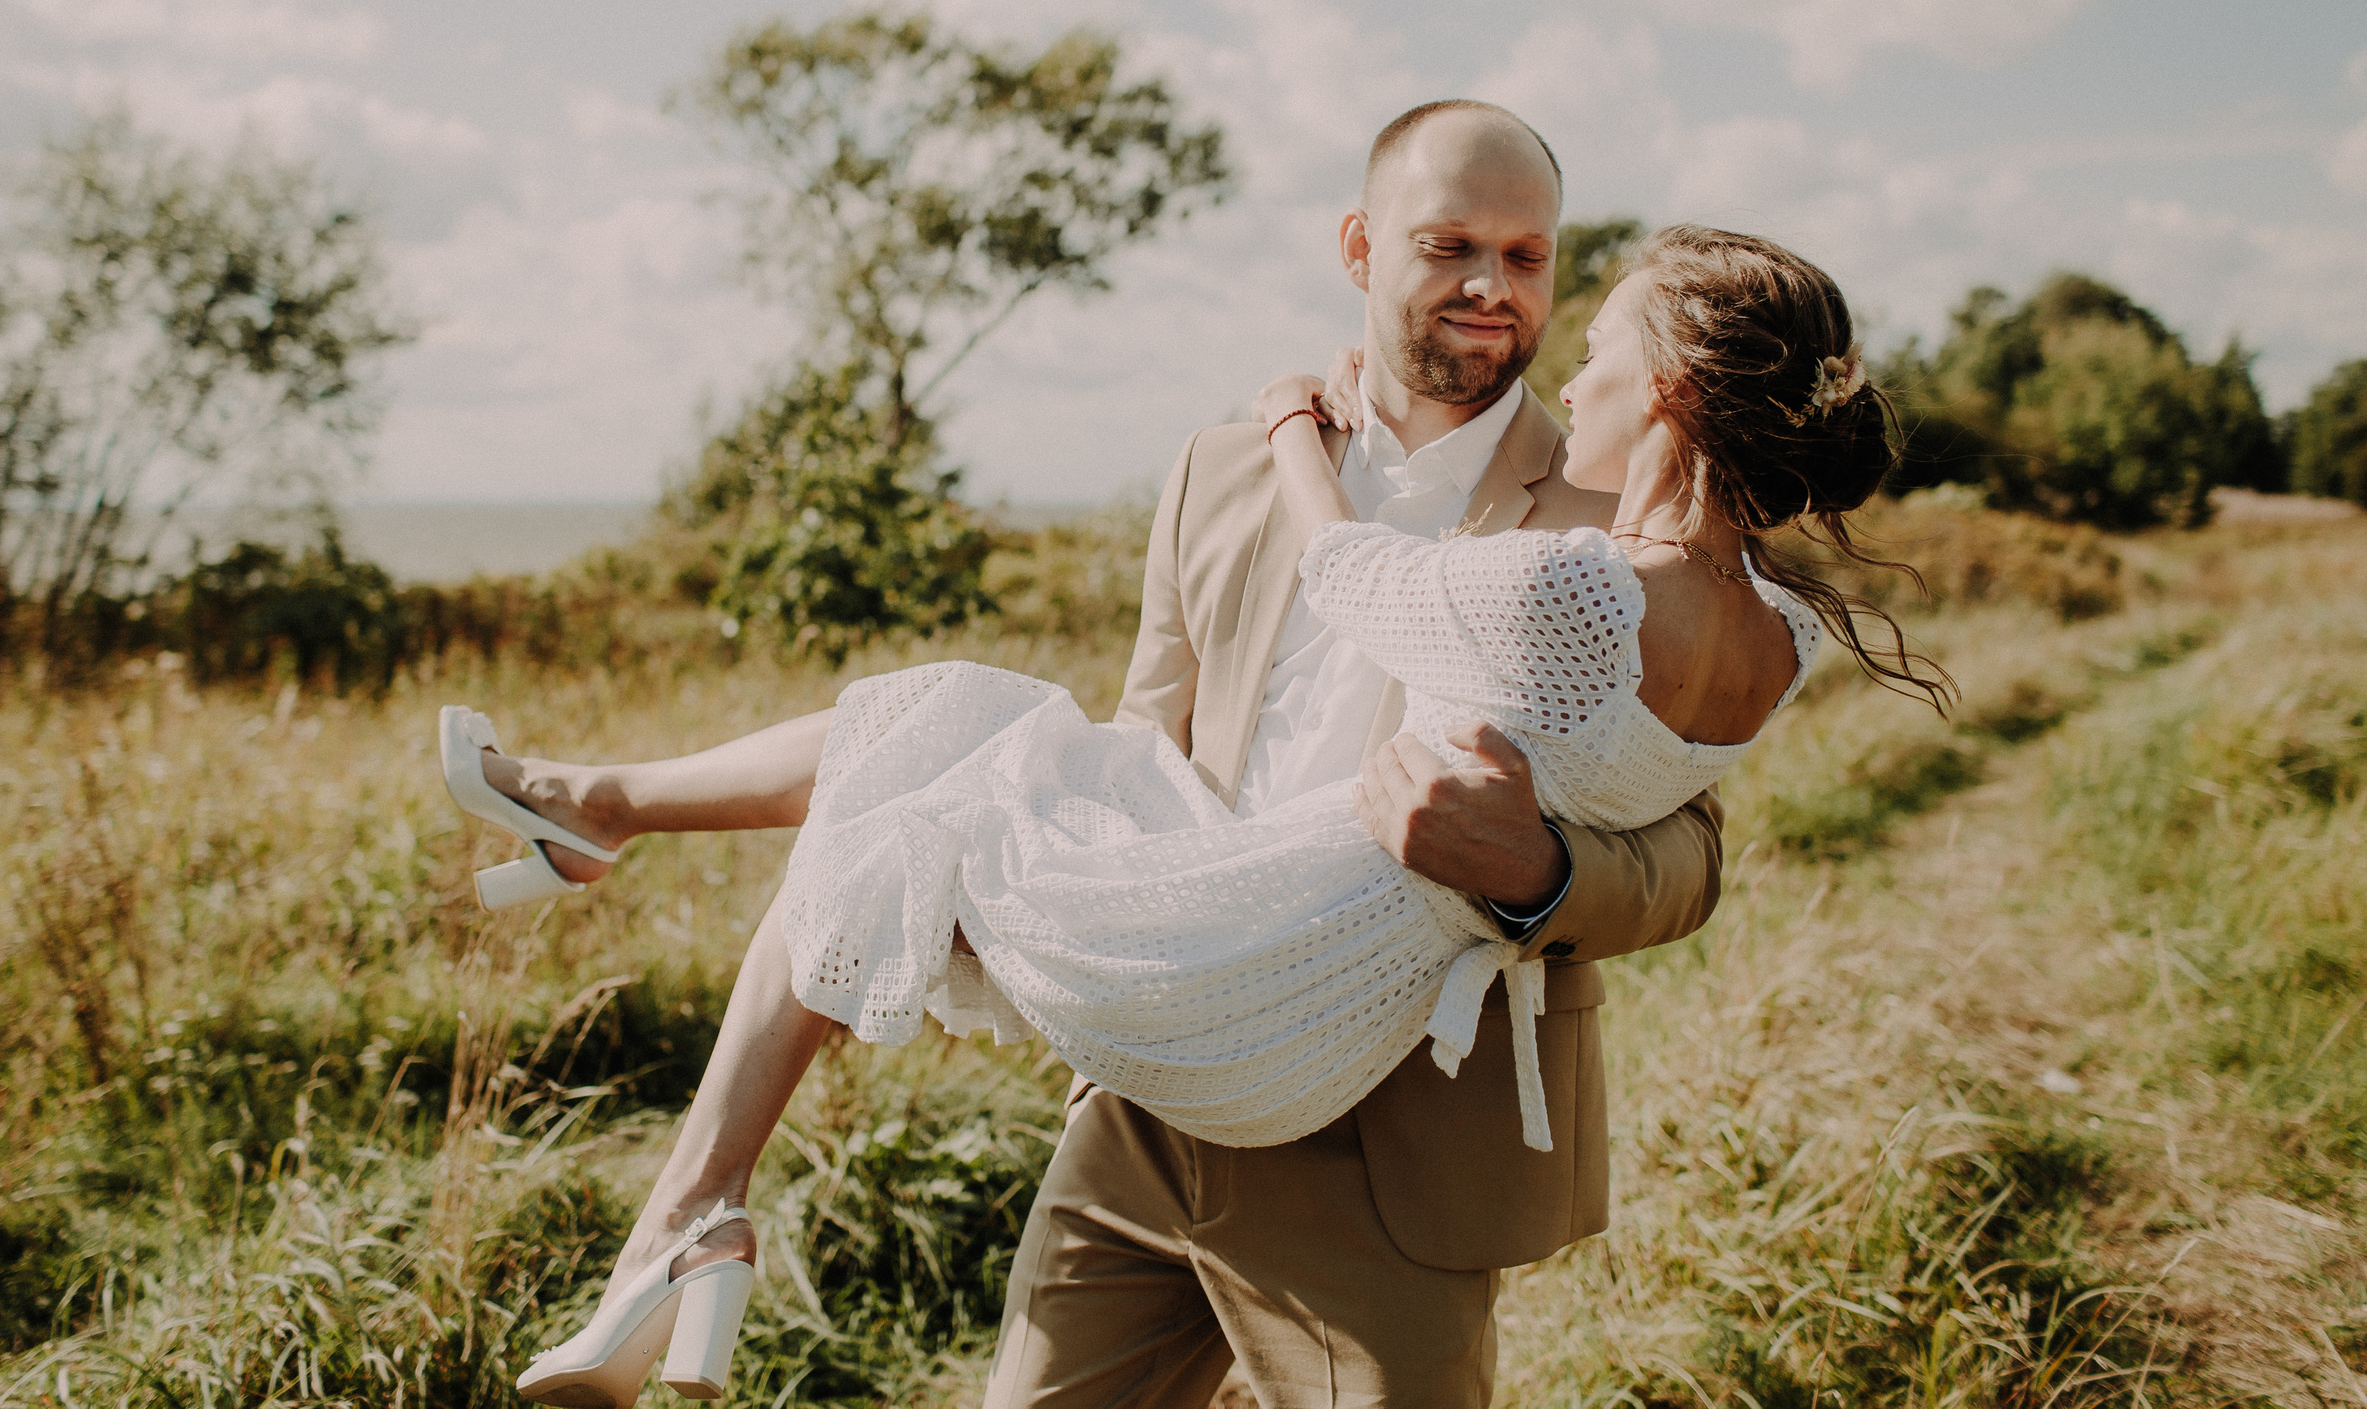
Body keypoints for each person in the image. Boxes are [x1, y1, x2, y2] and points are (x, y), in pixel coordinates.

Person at [446, 104, 1945, 1408]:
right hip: (1160, 1089)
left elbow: (1688, 857)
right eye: (1452, 246)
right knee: (928, 749)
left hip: (1397, 1149)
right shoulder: (1218, 468)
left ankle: (643, 975)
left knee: (930, 739)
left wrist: (1544, 872)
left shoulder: (1600, 519)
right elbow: (1144, 734)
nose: (1496, 288)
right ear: (1362, 248)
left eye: (1532, 256)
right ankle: (687, 1184)